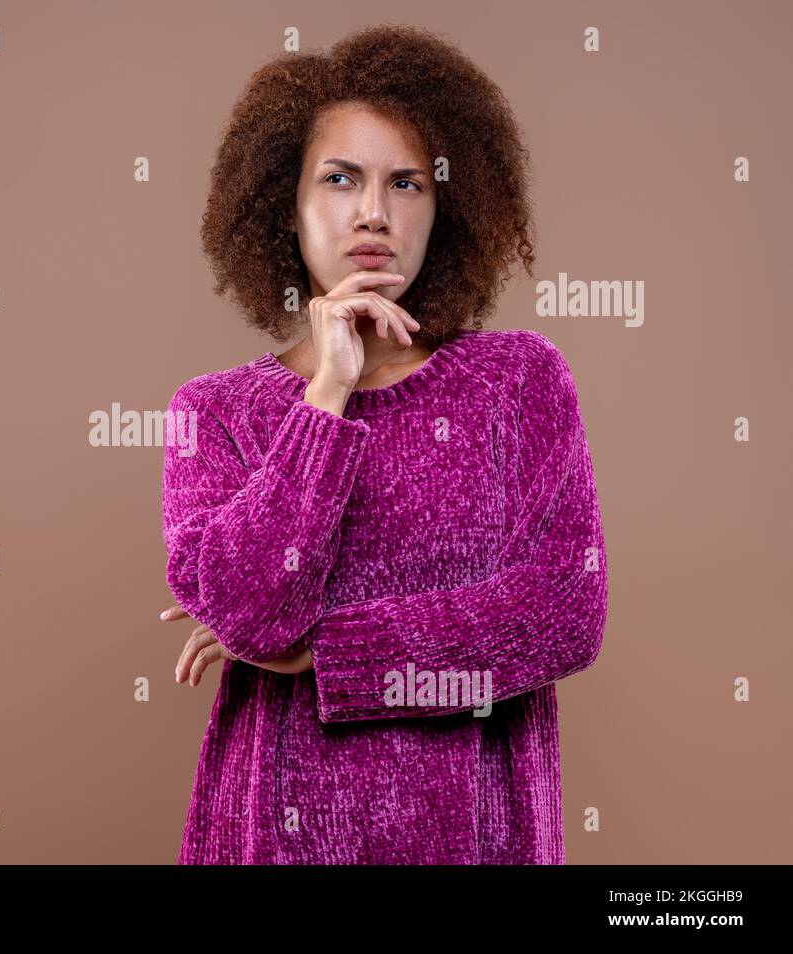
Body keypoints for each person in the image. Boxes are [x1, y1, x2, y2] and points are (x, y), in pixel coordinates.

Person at [158, 24, 609, 864]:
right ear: (282, 206)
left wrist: (328, 651)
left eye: (407, 183)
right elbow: (257, 613)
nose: (374, 212)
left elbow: (564, 613)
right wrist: (324, 397)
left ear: (447, 205)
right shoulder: (214, 412)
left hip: (479, 840)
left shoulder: (518, 381)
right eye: (339, 180)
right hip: (272, 838)